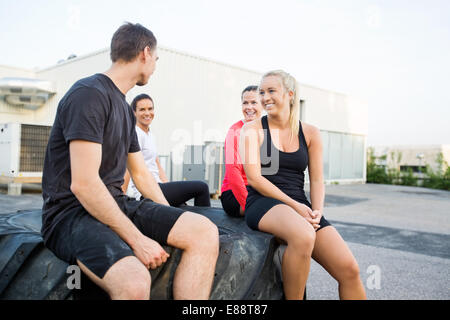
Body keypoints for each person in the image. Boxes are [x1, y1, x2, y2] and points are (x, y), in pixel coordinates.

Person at [41, 22, 219, 300]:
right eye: (156, 59)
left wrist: (169, 218)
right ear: (146, 53)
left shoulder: (125, 108)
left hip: (117, 203)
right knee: (134, 281)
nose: (155, 66)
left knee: (203, 231)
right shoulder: (88, 94)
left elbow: (142, 175)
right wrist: (139, 240)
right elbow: (84, 185)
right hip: (69, 214)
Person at [240, 70, 366, 300]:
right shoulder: (252, 130)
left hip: (300, 205)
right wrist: (295, 207)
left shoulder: (310, 133)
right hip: (263, 203)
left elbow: (317, 179)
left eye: (271, 91)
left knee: (349, 270)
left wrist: (317, 212)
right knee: (304, 235)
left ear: (289, 94)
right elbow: (255, 179)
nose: (265, 97)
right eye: (262, 92)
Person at [123, 93, 211, 207]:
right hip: (147, 192)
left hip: (159, 188)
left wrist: (173, 192)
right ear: (134, 113)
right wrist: (121, 199)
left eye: (150, 109)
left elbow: (157, 165)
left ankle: (200, 223)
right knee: (202, 187)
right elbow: (127, 167)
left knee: (184, 208)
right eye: (142, 110)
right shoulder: (136, 134)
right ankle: (207, 224)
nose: (147, 113)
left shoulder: (150, 135)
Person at [220, 85, 263, 217]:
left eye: (254, 102)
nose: (249, 107)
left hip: (260, 189)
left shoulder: (268, 130)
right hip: (236, 193)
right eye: (245, 103)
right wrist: (248, 205)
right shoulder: (235, 131)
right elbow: (233, 173)